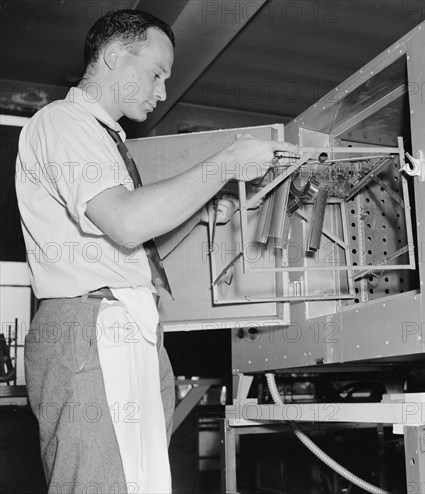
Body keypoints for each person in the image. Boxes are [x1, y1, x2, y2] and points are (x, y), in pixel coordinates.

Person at [15, 9, 298, 494]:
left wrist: (205, 211)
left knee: (139, 484)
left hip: (126, 323)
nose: (163, 91)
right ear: (111, 56)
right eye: (156, 73)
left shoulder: (103, 139)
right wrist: (227, 160)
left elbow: (125, 246)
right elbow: (126, 222)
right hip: (90, 326)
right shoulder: (62, 123)